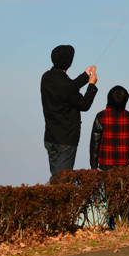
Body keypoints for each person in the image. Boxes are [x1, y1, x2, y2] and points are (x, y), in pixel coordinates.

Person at [40, 44, 98, 180]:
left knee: (56, 178)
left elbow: (68, 88)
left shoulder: (46, 77)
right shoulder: (66, 85)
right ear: (69, 62)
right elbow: (84, 105)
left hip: (50, 137)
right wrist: (91, 85)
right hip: (65, 140)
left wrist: (85, 75)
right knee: (62, 183)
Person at [89, 85, 129, 170]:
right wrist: (123, 146)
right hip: (124, 162)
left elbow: (95, 142)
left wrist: (93, 165)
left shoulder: (101, 116)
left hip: (105, 162)